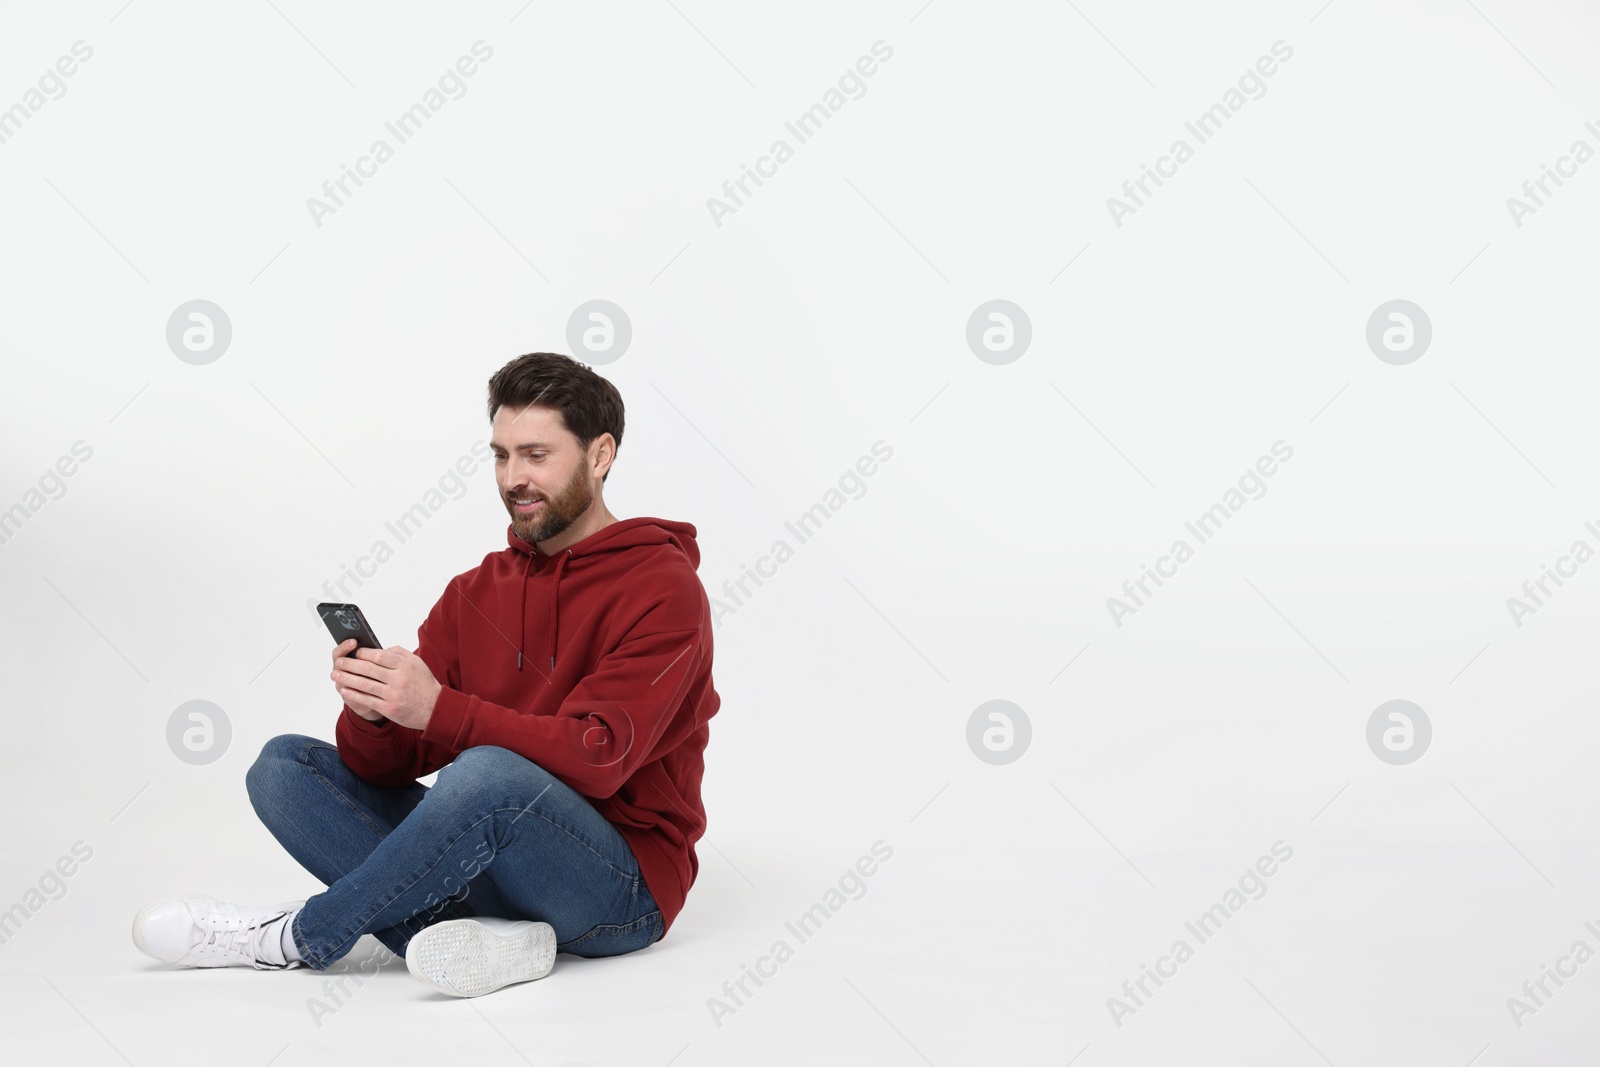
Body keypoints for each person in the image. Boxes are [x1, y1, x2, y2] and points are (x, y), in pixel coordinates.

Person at [132, 352, 720, 997]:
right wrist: (376, 712)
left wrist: (441, 709)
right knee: (283, 768)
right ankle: (481, 941)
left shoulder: (663, 587)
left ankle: (295, 937)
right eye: (500, 455)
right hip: (489, 860)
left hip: (618, 889)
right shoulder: (474, 592)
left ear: (600, 455)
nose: (513, 478)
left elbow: (599, 755)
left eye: (536, 455)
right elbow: (392, 766)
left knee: (484, 772)